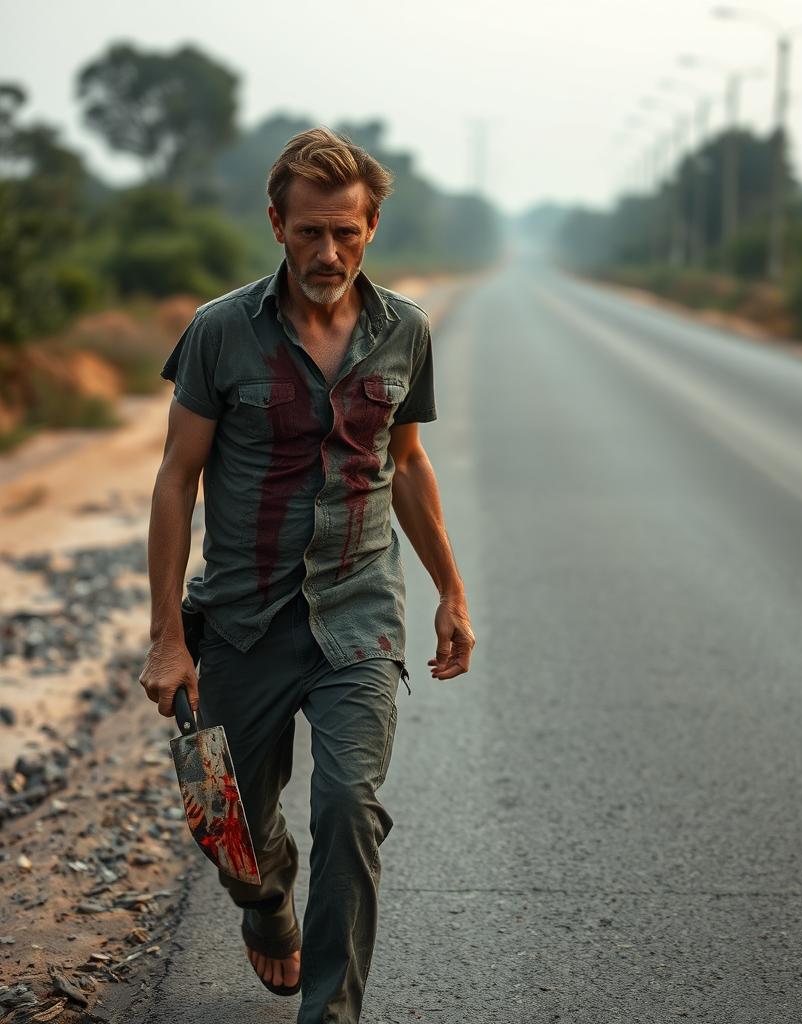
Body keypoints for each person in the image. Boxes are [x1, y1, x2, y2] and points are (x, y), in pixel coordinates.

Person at [139, 127, 475, 1023]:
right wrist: (168, 636)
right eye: (309, 233)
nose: (329, 253)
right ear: (276, 225)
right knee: (232, 834)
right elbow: (176, 478)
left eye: (348, 234)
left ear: (372, 229)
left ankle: (331, 1011)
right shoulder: (219, 333)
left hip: (358, 614)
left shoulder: (405, 331)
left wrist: (451, 591)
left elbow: (406, 463)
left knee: (349, 804)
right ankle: (266, 903)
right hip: (243, 618)